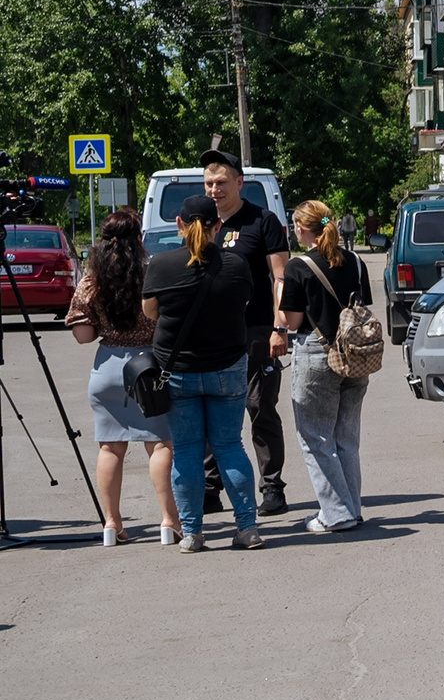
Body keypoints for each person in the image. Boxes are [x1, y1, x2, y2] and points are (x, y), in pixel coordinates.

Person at [143, 195, 263, 552]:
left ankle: (193, 533)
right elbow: (242, 304)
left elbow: (150, 313)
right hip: (227, 367)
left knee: (187, 451)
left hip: (177, 371)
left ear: (179, 224)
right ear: (218, 226)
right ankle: (247, 528)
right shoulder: (236, 264)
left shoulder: (161, 265)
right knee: (230, 446)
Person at [66, 207, 180, 546]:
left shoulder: (91, 282)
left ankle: (112, 524)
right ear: (139, 239)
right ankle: (169, 521)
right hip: (148, 365)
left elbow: (84, 335)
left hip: (108, 368)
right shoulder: (152, 275)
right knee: (160, 443)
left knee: (110, 447)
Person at [200, 148, 291, 518]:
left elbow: (281, 277)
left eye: (221, 182)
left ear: (239, 182)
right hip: (212, 335)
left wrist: (279, 327)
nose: (214, 190)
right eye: (208, 183)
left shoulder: (262, 221)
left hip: (256, 330)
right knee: (213, 412)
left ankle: (272, 487)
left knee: (259, 407)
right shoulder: (201, 223)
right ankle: (210, 488)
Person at [277, 200, 373, 533]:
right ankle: (352, 508)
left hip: (317, 354)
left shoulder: (298, 266)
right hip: (356, 354)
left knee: (316, 437)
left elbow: (292, 321)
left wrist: (279, 299)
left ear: (302, 228)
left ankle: (335, 513)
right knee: (347, 437)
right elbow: (360, 308)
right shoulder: (357, 261)